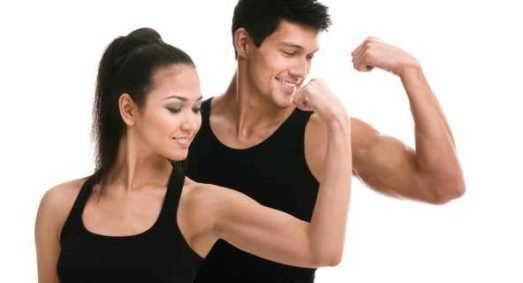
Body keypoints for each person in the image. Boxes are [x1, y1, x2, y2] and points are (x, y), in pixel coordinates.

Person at [34, 27, 352, 283]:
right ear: (129, 109)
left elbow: (321, 249)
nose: (191, 123)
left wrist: (337, 124)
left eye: (197, 107)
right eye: (175, 108)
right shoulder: (59, 205)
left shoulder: (200, 205)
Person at [185, 0, 466, 282]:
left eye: (308, 57)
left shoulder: (323, 134)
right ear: (244, 43)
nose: (300, 71)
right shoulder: (184, 128)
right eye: (289, 52)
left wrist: (411, 71)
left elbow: (442, 185)